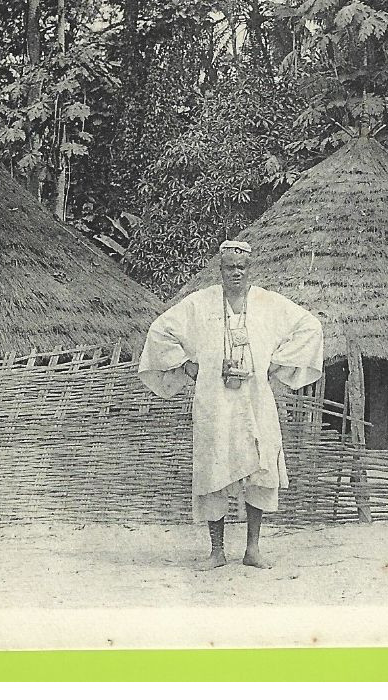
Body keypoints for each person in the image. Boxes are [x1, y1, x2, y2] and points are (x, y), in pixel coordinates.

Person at [138, 240, 324, 570]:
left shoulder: (269, 304)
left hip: (255, 401)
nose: (235, 273)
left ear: (250, 270)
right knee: (214, 468)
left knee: (259, 467)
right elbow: (160, 330)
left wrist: (276, 364)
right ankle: (217, 551)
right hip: (215, 401)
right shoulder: (199, 304)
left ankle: (252, 549)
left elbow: (310, 327)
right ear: (220, 270)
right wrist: (186, 365)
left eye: (241, 268)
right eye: (228, 268)